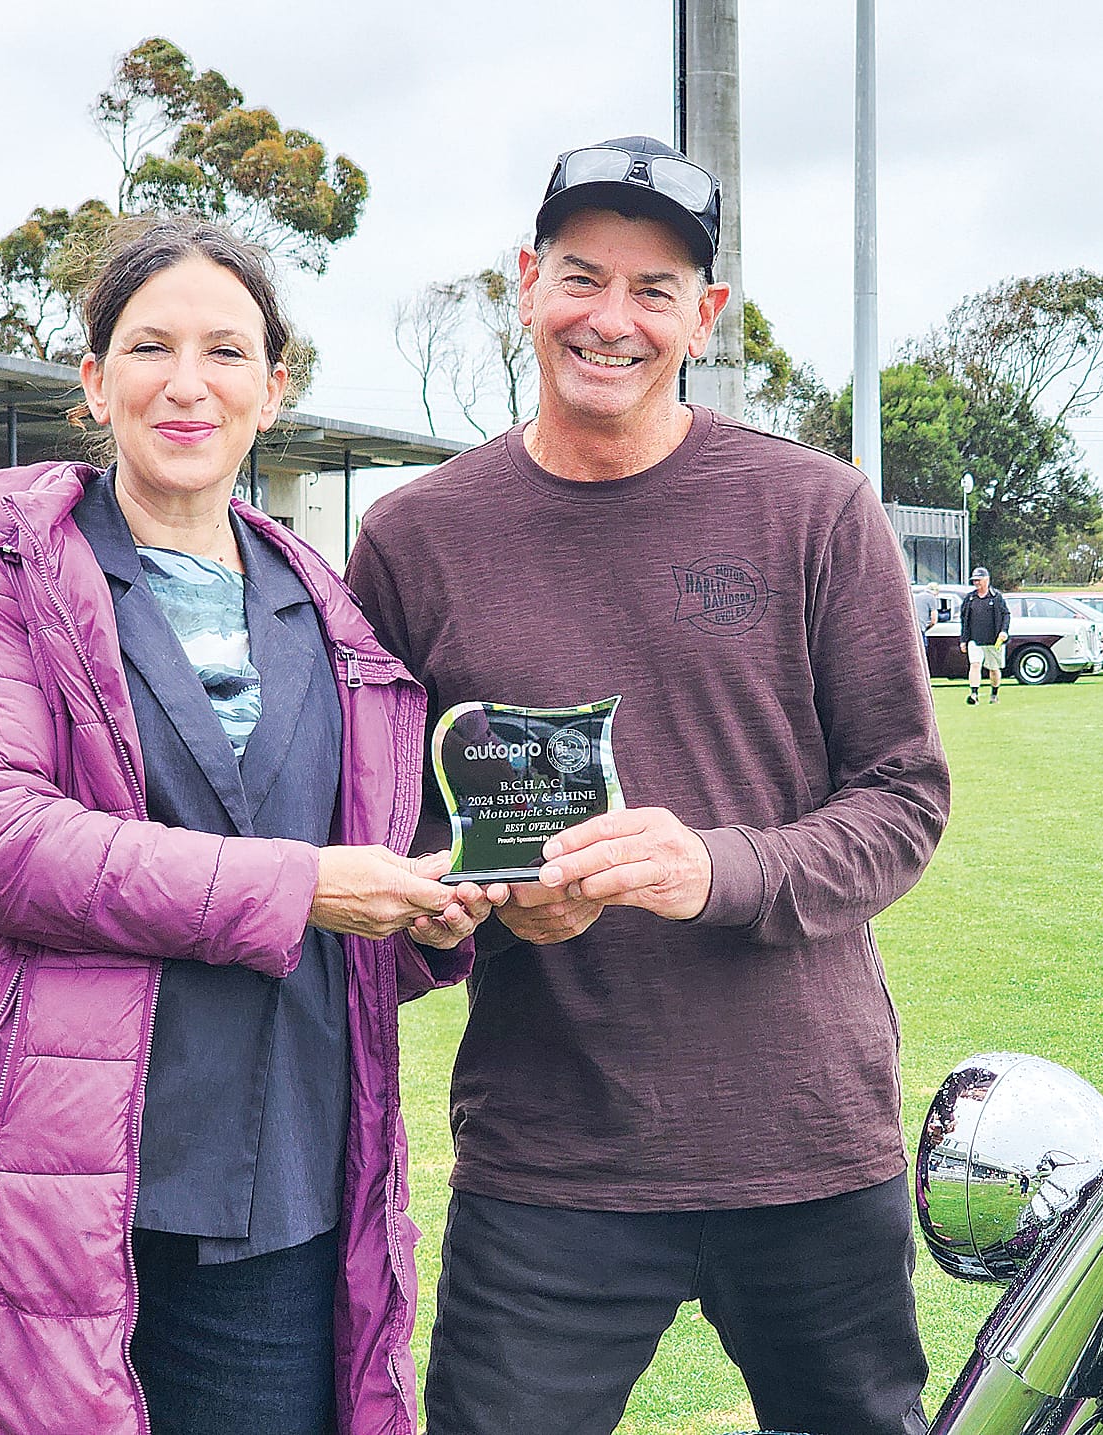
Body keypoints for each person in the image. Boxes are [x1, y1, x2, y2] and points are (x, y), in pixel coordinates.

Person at [0, 216, 506, 1435]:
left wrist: (436, 910)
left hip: (279, 1198)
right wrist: (300, 885)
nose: (188, 384)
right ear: (93, 380)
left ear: (272, 389)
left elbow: (352, 902)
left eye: (226, 351)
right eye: (149, 346)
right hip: (38, 1178)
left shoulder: (332, 620)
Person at [346, 135, 951, 1435]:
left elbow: (903, 795)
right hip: (550, 1154)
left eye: (653, 288)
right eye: (581, 275)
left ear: (703, 315)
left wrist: (713, 866)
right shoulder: (414, 537)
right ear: (525, 282)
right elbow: (395, 828)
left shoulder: (815, 509)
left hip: (802, 1134)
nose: (609, 319)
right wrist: (466, 901)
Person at [960, 565, 1011, 704]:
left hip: (993, 640)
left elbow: (1006, 615)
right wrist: (963, 640)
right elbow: (964, 619)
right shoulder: (970, 598)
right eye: (974, 581)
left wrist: (1003, 631)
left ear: (987, 580)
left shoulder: (996, 597)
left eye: (979, 580)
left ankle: (994, 694)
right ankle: (974, 694)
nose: (976, 583)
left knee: (993, 669)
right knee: (975, 665)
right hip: (974, 640)